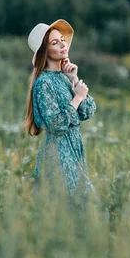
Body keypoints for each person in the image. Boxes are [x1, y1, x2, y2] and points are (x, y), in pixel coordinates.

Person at [24, 19, 98, 217]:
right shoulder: (43, 84)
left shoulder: (65, 78)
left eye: (63, 40)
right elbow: (56, 124)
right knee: (84, 212)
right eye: (54, 42)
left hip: (74, 152)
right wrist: (78, 97)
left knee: (80, 212)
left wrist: (74, 80)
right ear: (44, 52)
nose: (62, 44)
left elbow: (88, 111)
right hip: (57, 155)